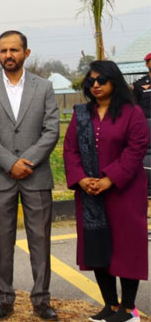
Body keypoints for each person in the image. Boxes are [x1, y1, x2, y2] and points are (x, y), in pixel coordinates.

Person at [0, 31, 59, 321]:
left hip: (37, 175)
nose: (8, 55)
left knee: (40, 241)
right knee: (2, 241)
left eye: (14, 50)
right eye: (3, 50)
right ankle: (5, 299)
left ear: (26, 52)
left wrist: (28, 161)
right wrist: (10, 163)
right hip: (1, 177)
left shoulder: (44, 87)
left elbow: (51, 130)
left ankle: (41, 299)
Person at [64, 60, 149, 322]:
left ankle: (129, 309)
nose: (96, 85)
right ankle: (110, 306)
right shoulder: (81, 114)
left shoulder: (131, 113)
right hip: (90, 194)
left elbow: (136, 149)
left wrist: (109, 179)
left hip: (125, 192)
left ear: (115, 81)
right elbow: (70, 150)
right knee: (97, 246)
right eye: (91, 81)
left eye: (102, 80)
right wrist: (81, 180)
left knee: (127, 246)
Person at [130, 52, 151, 220]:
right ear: (147, 64)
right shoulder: (139, 85)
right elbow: (134, 107)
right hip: (145, 127)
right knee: (146, 161)